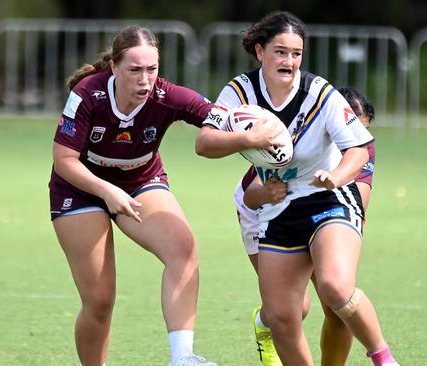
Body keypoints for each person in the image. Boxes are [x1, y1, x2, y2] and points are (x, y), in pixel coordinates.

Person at [195, 11, 399, 366]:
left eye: (296, 53)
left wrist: (336, 177)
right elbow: (205, 143)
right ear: (260, 52)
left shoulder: (319, 93)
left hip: (328, 197)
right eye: (280, 52)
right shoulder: (239, 91)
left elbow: (358, 149)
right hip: (279, 207)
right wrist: (247, 138)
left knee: (335, 287)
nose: (289, 61)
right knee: (282, 316)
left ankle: (384, 359)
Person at [49, 25, 216, 366]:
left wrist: (259, 132)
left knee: (183, 248)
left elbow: (222, 119)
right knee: (99, 301)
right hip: (81, 188)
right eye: (135, 70)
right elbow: (64, 161)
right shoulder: (87, 94)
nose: (145, 80)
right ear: (114, 66)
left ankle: (182, 358)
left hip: (139, 179)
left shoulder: (167, 96)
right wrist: (106, 191)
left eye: (152, 70)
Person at [231, 86, 376, 366]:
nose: (354, 137)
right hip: (261, 210)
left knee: (339, 306)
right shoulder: (300, 133)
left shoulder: (361, 146)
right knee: (296, 308)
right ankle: (265, 324)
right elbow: (253, 195)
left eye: (361, 129)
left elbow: (358, 201)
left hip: (320, 210)